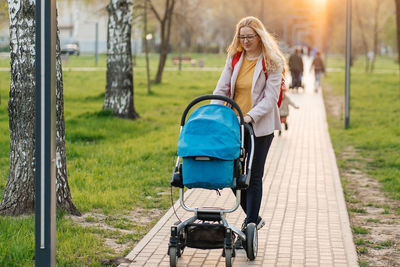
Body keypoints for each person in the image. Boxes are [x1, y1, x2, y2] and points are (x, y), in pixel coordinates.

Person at [211, 16, 286, 242]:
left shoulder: (271, 60)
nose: (245, 41)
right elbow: (223, 87)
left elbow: (270, 98)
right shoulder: (235, 57)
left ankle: (250, 223)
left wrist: (249, 117)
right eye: (241, 36)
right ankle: (254, 216)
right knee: (234, 174)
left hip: (259, 127)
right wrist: (213, 113)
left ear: (259, 36)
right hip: (234, 124)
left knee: (253, 176)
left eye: (249, 36)